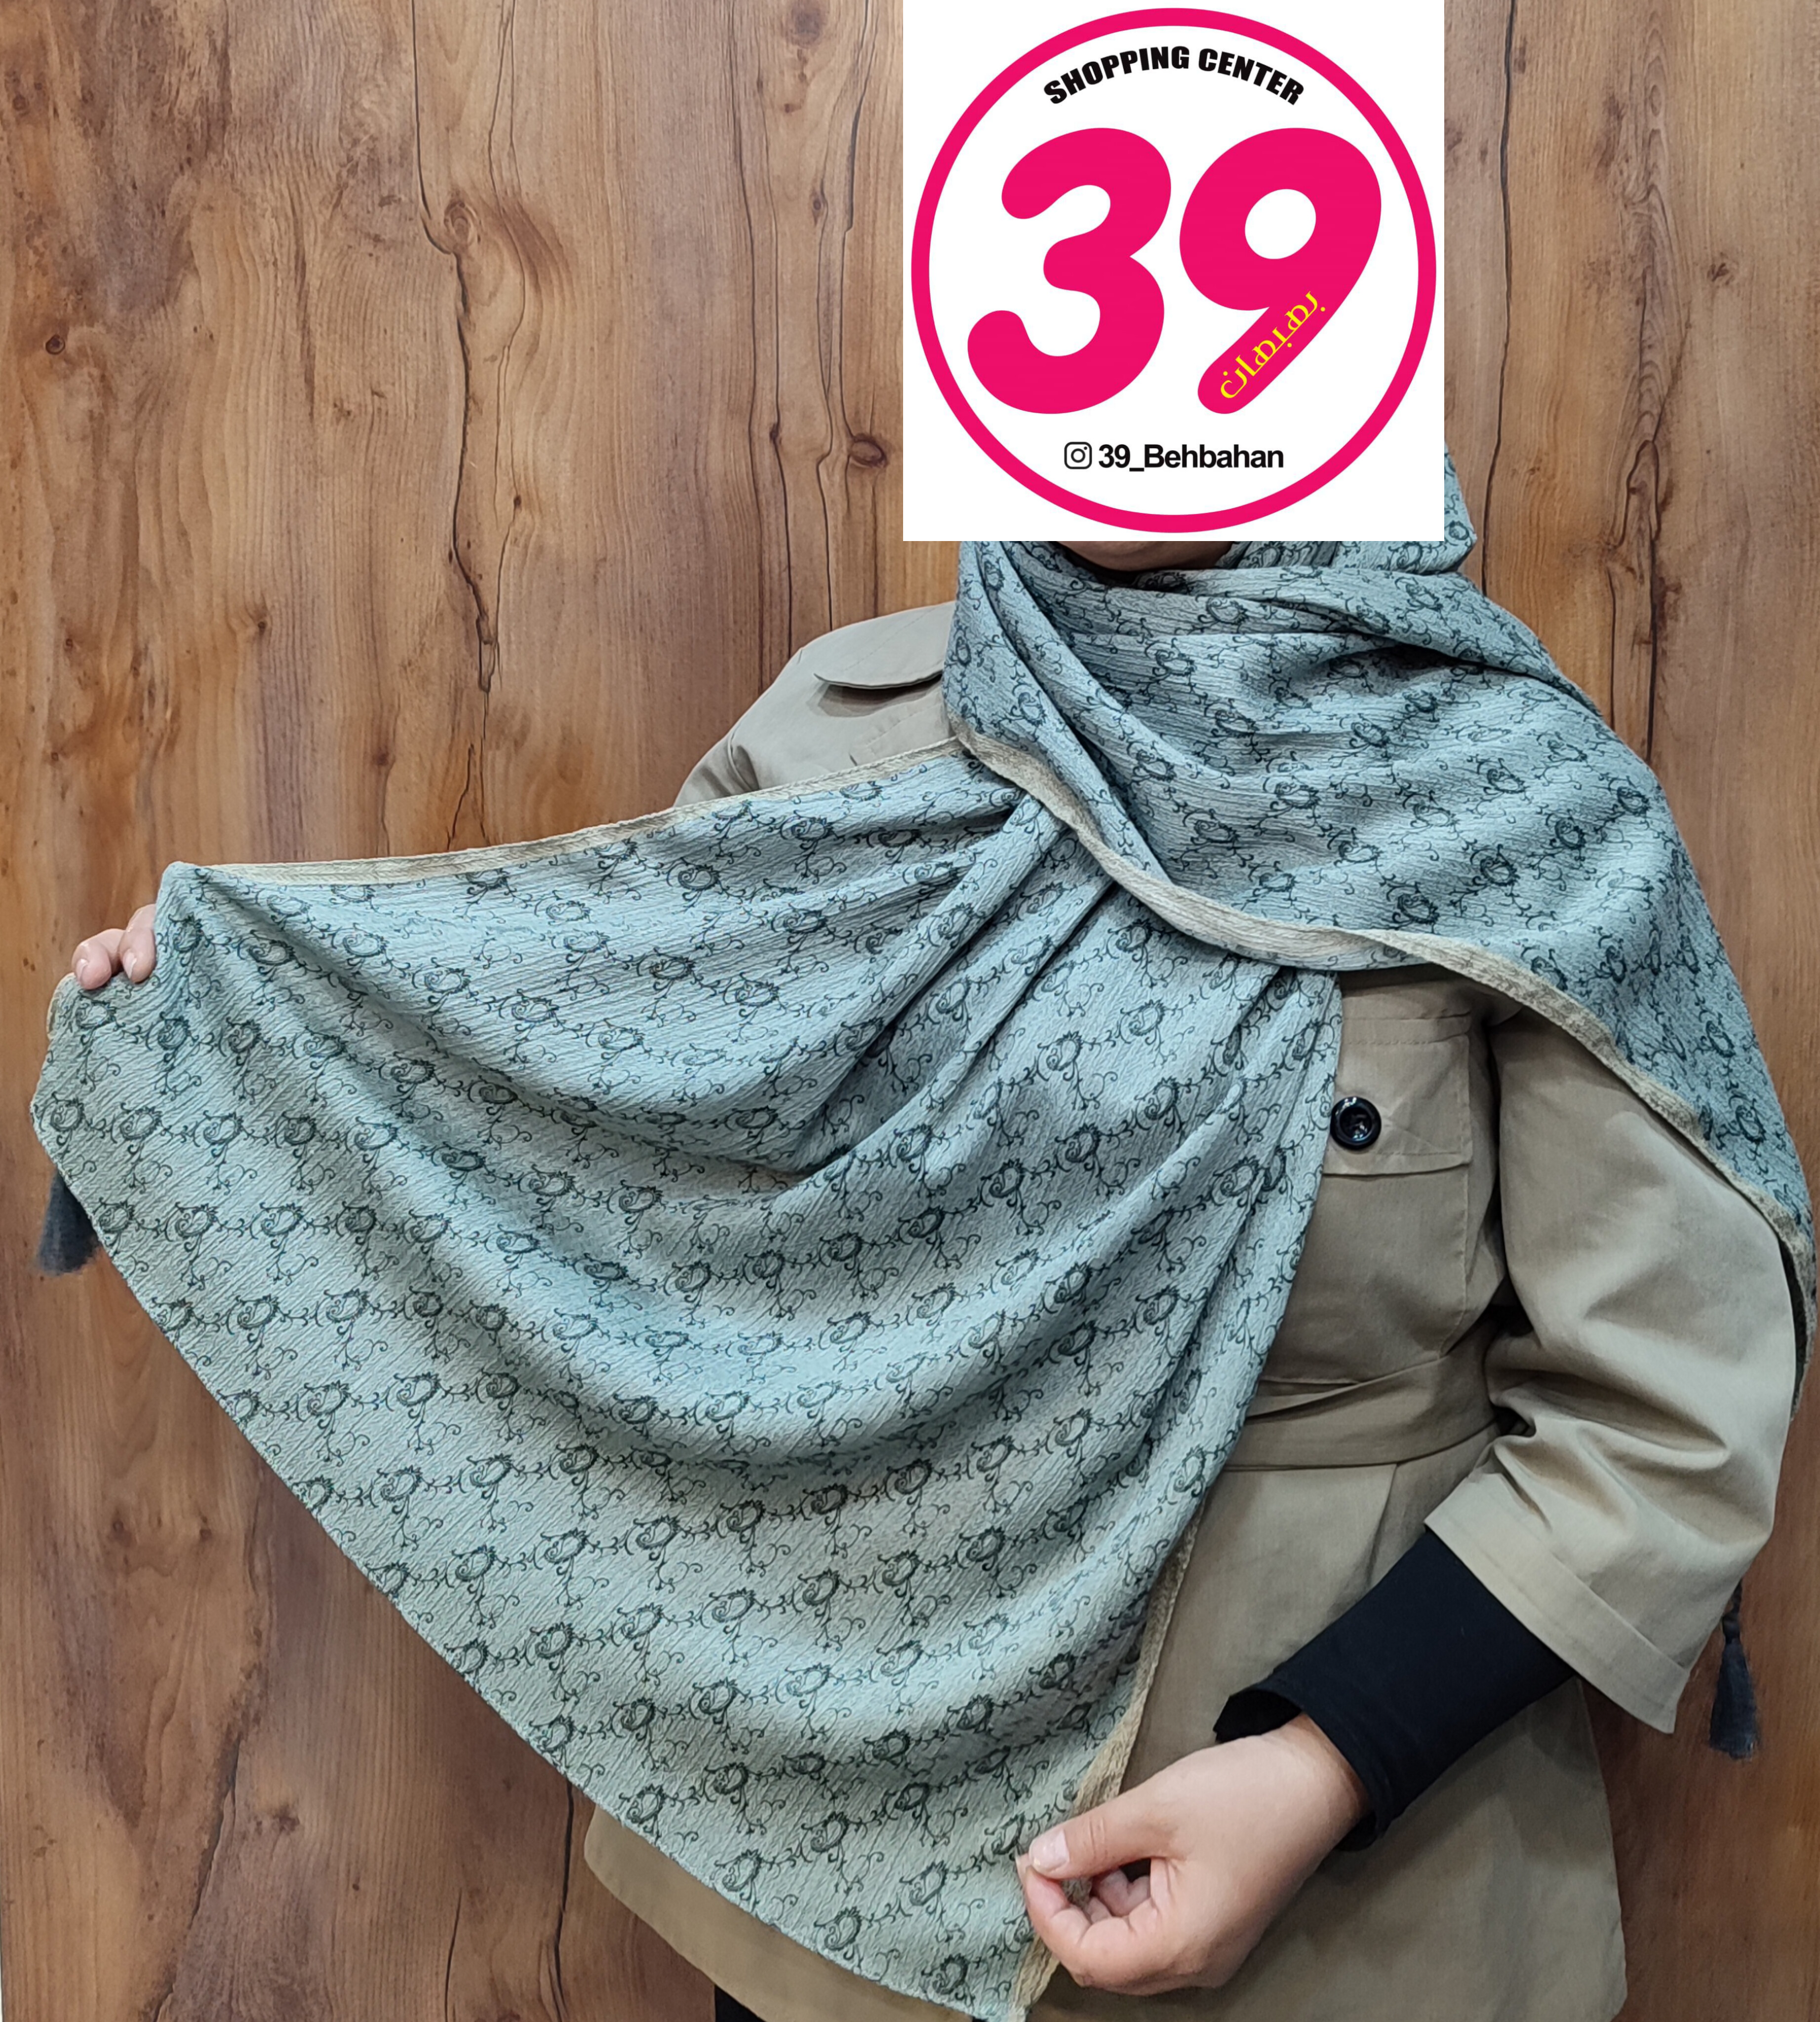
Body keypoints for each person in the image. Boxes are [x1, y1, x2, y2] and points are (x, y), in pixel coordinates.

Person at [68, 532, 1802, 2022]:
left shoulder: (1517, 801)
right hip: (829, 1870)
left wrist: (1322, 1763)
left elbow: (1664, 1422)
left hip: (1368, 1906)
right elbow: (624, 1157)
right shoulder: (837, 737)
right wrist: (247, 1009)